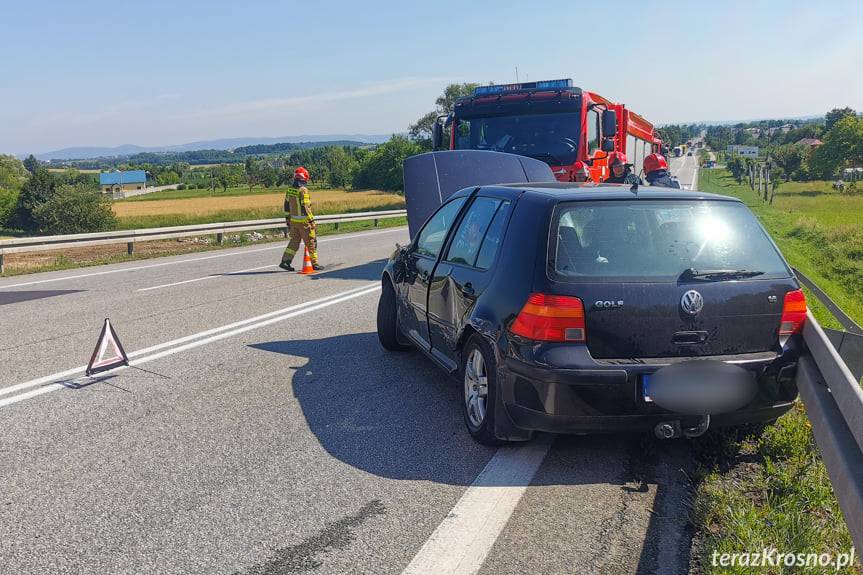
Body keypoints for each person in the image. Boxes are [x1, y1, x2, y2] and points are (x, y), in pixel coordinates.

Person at [279, 167, 322, 271]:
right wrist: (311, 220)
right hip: (304, 222)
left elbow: (286, 205)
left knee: (294, 242)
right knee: (311, 242)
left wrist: (287, 219)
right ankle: (314, 264)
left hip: (293, 222)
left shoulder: (290, 190)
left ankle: (285, 261)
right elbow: (306, 207)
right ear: (305, 178)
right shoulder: (303, 190)